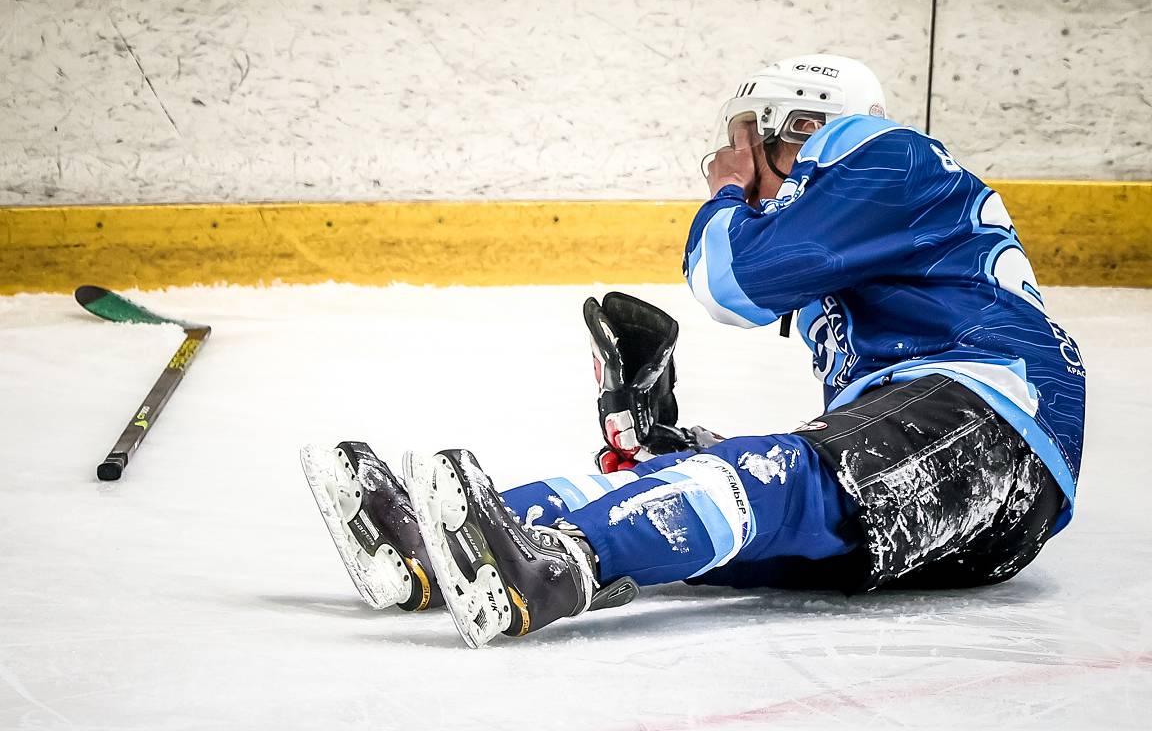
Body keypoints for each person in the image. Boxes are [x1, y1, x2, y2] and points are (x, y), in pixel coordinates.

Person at [301, 54, 1087, 648]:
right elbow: (858, 459)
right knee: (701, 489)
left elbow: (731, 281)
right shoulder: (865, 229)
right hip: (959, 498)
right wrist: (677, 442)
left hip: (998, 420)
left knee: (767, 476)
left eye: (749, 137)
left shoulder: (882, 150)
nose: (733, 157)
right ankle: (439, 550)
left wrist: (726, 192)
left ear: (805, 126)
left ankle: (557, 568)